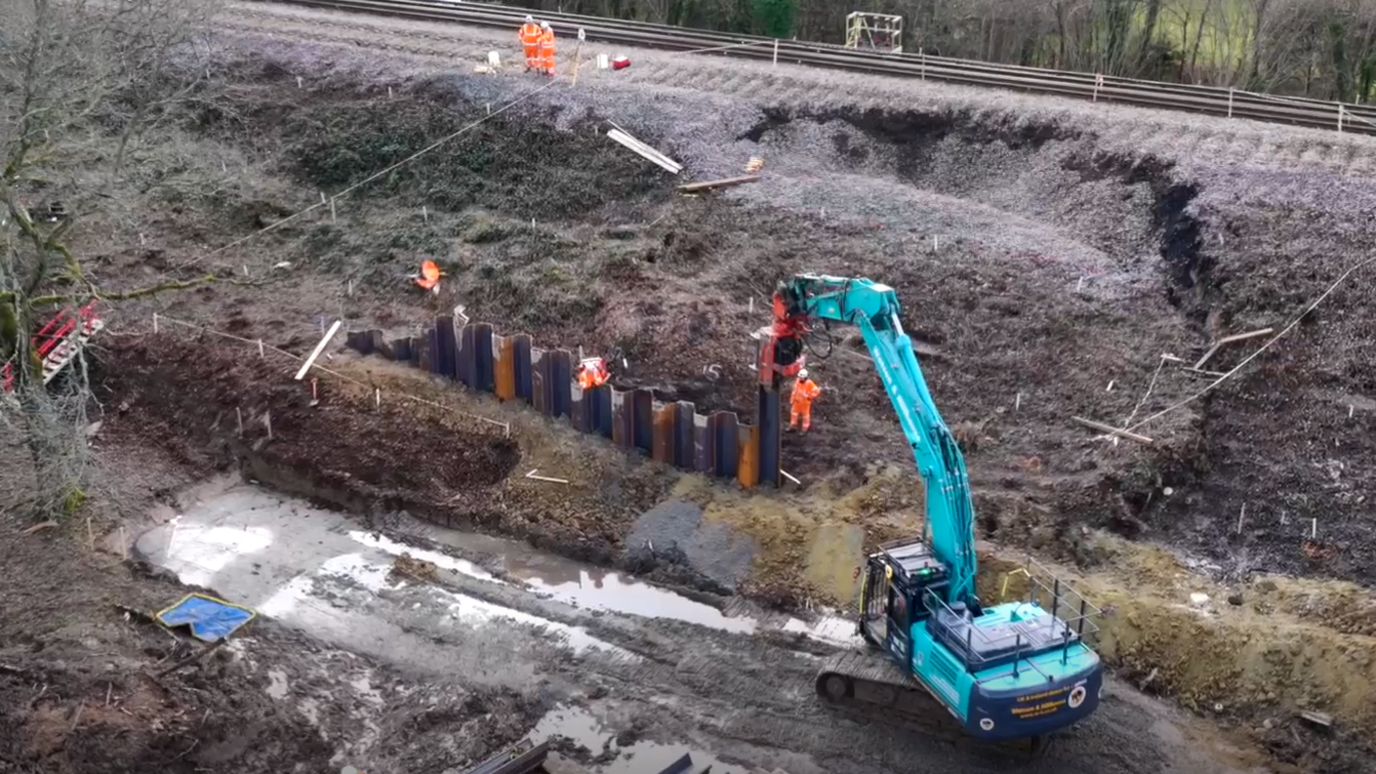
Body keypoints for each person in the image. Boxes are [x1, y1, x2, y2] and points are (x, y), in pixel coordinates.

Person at [789, 368, 821, 433]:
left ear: (805, 377)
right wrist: (792, 399)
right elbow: (794, 391)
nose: (800, 378)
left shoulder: (809, 383)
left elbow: (816, 391)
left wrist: (809, 397)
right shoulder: (797, 381)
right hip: (796, 401)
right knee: (794, 414)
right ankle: (793, 426)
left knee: (805, 416)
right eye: (800, 377)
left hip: (805, 403)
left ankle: (804, 428)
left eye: (802, 377)